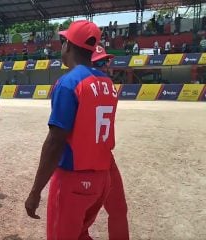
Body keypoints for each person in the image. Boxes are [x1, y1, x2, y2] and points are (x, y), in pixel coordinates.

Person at [24, 20, 119, 239]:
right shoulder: (107, 82)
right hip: (101, 181)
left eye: (63, 41)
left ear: (68, 45)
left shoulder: (68, 83)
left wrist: (35, 191)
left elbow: (55, 142)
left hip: (73, 182)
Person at [91, 46, 129, 240]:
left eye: (106, 62)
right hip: (89, 160)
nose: (105, 66)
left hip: (104, 157)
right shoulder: (107, 87)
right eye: (100, 63)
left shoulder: (101, 86)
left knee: (119, 209)